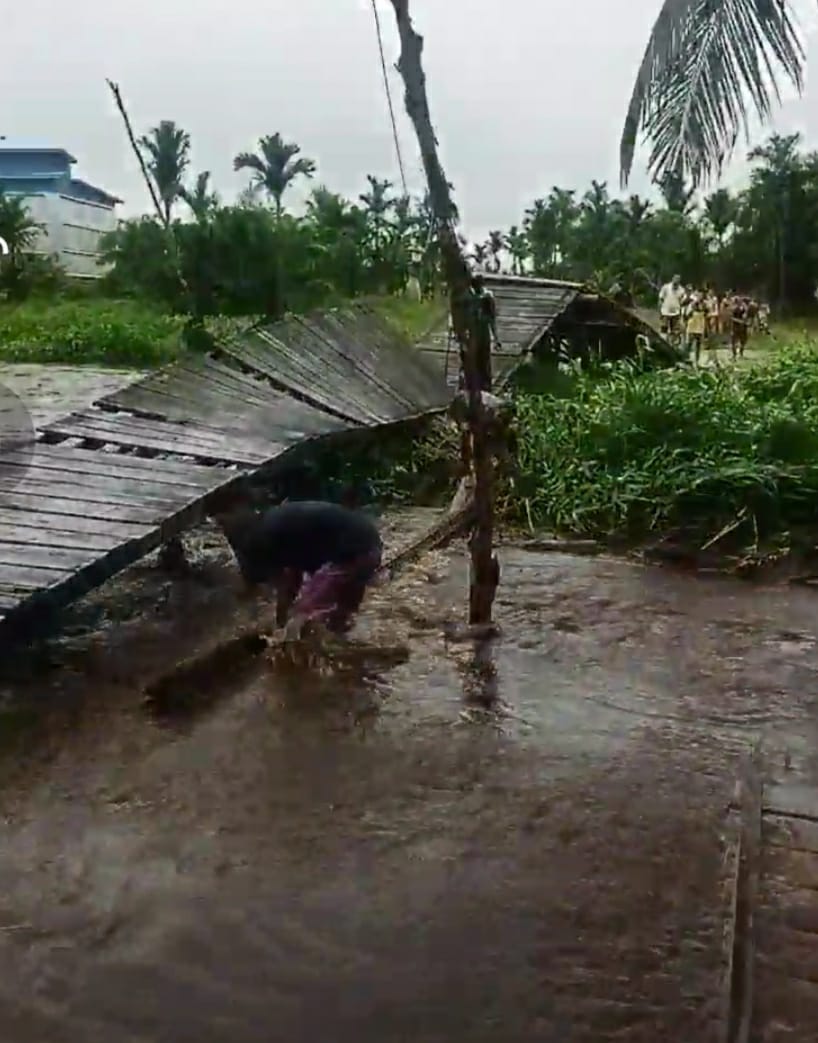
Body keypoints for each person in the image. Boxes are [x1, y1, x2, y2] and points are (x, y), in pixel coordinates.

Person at [212, 498, 383, 638]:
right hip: (370, 547)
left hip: (352, 555)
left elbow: (287, 585)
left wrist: (281, 623)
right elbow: (293, 579)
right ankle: (344, 653)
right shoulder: (278, 526)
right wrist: (281, 617)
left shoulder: (265, 541)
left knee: (302, 615)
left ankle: (305, 664)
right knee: (341, 614)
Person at [658, 274, 684, 340]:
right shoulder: (666, 287)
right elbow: (661, 298)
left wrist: (680, 312)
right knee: (664, 327)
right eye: (675, 279)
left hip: (675, 312)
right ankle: (663, 339)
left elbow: (681, 301)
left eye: (678, 280)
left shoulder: (681, 290)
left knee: (674, 329)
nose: (676, 281)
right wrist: (660, 310)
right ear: (672, 279)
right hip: (665, 311)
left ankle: (672, 342)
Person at [686, 291, 707, 365]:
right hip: (692, 325)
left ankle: (696, 360)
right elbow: (687, 314)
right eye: (699, 296)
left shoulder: (704, 305)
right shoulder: (691, 305)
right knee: (689, 343)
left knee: (698, 344)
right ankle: (686, 358)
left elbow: (706, 314)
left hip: (700, 325)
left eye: (702, 296)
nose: (700, 297)